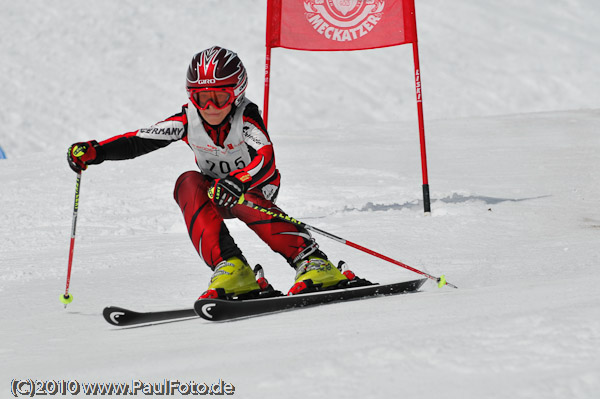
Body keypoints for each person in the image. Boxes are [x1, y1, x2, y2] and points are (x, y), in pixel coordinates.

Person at [67, 46, 353, 299]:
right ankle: (232, 267)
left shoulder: (246, 117)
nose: (210, 107)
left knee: (242, 198)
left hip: (255, 188)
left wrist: (238, 181)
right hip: (217, 192)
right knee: (187, 181)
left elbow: (266, 157)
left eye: (219, 97)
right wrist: (97, 151)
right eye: (202, 97)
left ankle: (311, 260)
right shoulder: (187, 119)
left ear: (237, 93)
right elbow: (139, 140)